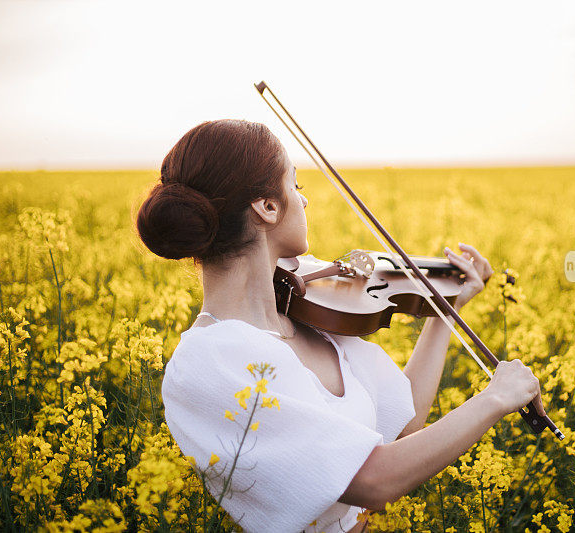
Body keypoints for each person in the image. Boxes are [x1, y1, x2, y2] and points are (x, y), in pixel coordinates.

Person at [136, 119, 546, 533]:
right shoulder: (211, 361)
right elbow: (371, 481)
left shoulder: (306, 314)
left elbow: (404, 422)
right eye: (295, 186)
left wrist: (445, 308)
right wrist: (494, 399)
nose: (304, 201)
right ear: (268, 207)